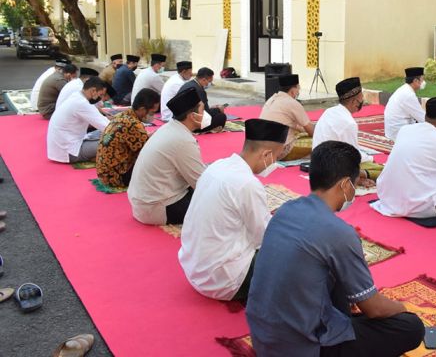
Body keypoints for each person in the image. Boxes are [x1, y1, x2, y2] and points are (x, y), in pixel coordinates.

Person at [246, 141, 424, 356]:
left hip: (264, 338)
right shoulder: (338, 231)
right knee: (410, 326)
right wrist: (402, 309)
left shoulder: (286, 210)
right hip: (302, 347)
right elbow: (374, 309)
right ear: (345, 184)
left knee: (333, 272)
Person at [178, 118, 289, 301]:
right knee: (297, 249)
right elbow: (265, 238)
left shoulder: (217, 166)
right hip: (225, 281)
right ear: (266, 154)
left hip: (195, 270)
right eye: (276, 157)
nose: (274, 163)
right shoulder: (247, 184)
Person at [128, 87, 206, 225]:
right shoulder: (183, 140)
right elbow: (202, 183)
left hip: (141, 203)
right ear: (192, 116)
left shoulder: (169, 128)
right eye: (202, 110)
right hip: (157, 208)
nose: (205, 114)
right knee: (216, 205)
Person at [312, 77, 378, 184]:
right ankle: (359, 179)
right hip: (333, 172)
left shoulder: (329, 111)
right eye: (361, 97)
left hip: (316, 166)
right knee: (382, 170)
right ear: (354, 101)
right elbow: (353, 157)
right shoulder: (349, 123)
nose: (362, 101)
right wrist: (370, 159)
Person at [96, 89, 161, 188]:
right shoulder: (133, 124)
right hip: (116, 177)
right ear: (142, 109)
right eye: (152, 112)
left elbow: (139, 139)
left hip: (105, 173)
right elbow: (148, 153)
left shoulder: (123, 115)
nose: (153, 116)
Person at [47, 77, 109, 163]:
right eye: (101, 95)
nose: (101, 98)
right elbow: (107, 127)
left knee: (101, 133)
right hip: (70, 152)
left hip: (62, 147)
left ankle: (95, 156)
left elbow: (101, 121)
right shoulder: (81, 103)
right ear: (93, 91)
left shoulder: (77, 96)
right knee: (115, 140)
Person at [260, 73, 314, 160]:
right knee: (321, 141)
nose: (298, 91)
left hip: (262, 148)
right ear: (293, 90)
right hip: (280, 151)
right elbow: (312, 132)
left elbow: (290, 124)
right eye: (298, 88)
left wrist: (303, 130)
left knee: (298, 131)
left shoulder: (272, 98)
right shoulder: (292, 103)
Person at [179, 67, 226, 133]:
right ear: (204, 80)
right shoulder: (199, 90)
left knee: (215, 111)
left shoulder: (188, 84)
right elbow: (206, 113)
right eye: (209, 82)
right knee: (221, 116)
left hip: (180, 121)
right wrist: (218, 109)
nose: (210, 84)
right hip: (190, 124)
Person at [383, 67, 426, 140]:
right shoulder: (408, 95)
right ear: (415, 81)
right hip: (399, 133)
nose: (423, 82)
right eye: (422, 79)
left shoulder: (404, 89)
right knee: (429, 132)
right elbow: (423, 118)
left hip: (392, 130)